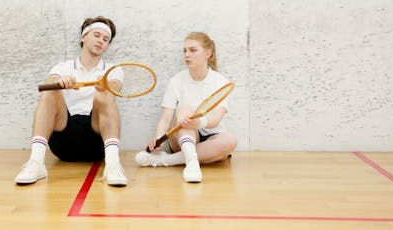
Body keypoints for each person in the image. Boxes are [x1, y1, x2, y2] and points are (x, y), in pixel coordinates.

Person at [15, 16, 128, 186]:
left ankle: (113, 165)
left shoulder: (113, 70)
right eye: (96, 35)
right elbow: (49, 82)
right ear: (84, 37)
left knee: (104, 94)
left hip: (96, 141)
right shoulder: (63, 67)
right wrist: (60, 83)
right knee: (52, 91)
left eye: (106, 39)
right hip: (64, 141)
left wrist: (104, 85)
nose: (101, 41)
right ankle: (35, 163)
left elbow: (115, 87)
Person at [135, 32, 237, 183]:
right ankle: (191, 164)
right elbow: (166, 118)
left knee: (231, 140)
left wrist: (199, 123)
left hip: (211, 138)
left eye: (193, 50)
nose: (187, 55)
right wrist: (158, 138)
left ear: (208, 53)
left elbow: (215, 119)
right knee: (185, 108)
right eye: (185, 51)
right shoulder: (176, 81)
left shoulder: (220, 81)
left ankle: (166, 160)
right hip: (182, 137)